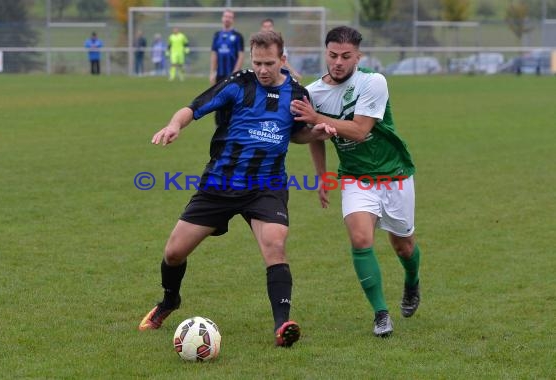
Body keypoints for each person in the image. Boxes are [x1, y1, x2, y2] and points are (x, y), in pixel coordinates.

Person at [138, 31, 333, 347]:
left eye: (269, 63)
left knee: (275, 244)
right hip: (219, 184)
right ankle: (170, 300)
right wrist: (175, 125)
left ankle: (283, 326)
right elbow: (193, 107)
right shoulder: (238, 84)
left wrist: (316, 134)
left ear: (283, 60)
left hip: (265, 187)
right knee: (173, 253)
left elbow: (297, 134)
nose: (263, 69)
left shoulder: (297, 94)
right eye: (257, 62)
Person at [290, 26, 422, 338]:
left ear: (357, 57)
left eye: (346, 56)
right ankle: (380, 314)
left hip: (394, 174)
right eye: (333, 55)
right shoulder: (314, 94)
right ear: (326, 53)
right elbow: (311, 136)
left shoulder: (373, 82)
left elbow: (360, 130)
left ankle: (412, 281)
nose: (338, 62)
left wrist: (316, 118)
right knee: (361, 239)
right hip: (355, 178)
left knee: (403, 246)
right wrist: (322, 174)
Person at [210, 9, 244, 128]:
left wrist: (235, 72)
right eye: (225, 16)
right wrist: (212, 72)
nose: (227, 18)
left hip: (231, 74)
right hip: (220, 74)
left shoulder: (237, 36)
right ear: (222, 18)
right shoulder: (217, 35)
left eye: (230, 17)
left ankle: (232, 124)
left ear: (232, 20)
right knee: (218, 99)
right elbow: (214, 54)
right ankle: (218, 125)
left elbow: (240, 55)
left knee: (231, 99)